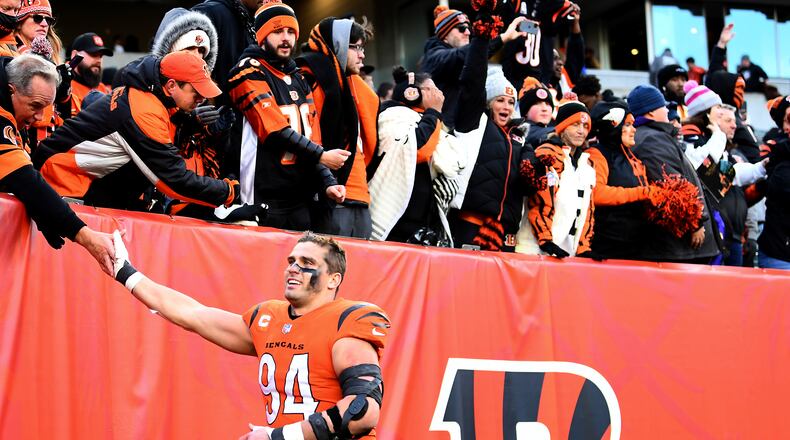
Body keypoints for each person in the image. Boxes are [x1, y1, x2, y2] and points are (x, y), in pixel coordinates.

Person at [110, 231, 389, 439]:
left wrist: (276, 436)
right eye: (291, 260)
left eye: (306, 262)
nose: (293, 267)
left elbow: (362, 410)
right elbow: (192, 314)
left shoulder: (346, 321)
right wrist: (126, 272)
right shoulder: (269, 319)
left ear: (333, 279)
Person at [33, 51, 241, 213]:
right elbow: (173, 180)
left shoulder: (150, 95)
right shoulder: (143, 109)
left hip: (79, 187)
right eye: (196, 93)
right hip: (61, 186)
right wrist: (227, 191)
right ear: (170, 86)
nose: (201, 100)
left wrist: (192, 124)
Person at [226, 1, 348, 231]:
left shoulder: (299, 78)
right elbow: (273, 131)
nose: (286, 38)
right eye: (278, 31)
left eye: (291, 31)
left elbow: (312, 139)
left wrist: (327, 182)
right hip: (261, 196)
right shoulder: (247, 71)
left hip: (298, 198)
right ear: (262, 35)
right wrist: (322, 156)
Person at [0, 53, 116, 275]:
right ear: (11, 90)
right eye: (35, 105)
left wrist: (42, 210)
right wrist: (86, 237)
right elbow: (24, 179)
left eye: (46, 107)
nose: (40, 116)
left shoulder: (12, 105)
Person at [448, 15, 529, 252]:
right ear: (488, 101)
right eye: (500, 100)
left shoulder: (519, 136)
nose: (506, 107)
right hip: (470, 226)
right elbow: (472, 82)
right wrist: (482, 39)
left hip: (503, 234)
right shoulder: (474, 122)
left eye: (511, 102)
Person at [297, 16, 379, 239]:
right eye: (357, 47)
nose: (362, 55)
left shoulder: (351, 83)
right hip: (333, 195)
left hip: (360, 194)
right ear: (339, 46)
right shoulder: (310, 78)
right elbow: (309, 138)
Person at [369, 66, 464, 246]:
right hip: (396, 224)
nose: (438, 94)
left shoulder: (425, 119)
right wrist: (434, 112)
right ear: (412, 92)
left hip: (420, 225)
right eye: (431, 89)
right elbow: (418, 150)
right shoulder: (393, 116)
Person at [628, 84, 719, 263]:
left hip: (689, 243)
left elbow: (706, 180)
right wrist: (697, 222)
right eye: (663, 106)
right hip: (683, 244)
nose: (668, 111)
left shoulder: (657, 136)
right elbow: (675, 183)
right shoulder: (655, 138)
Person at [516, 97, 597, 258]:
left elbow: (587, 212)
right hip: (534, 249)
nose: (581, 131)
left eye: (585, 126)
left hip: (566, 254)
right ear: (562, 127)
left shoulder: (587, 165)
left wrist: (583, 247)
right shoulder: (548, 154)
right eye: (575, 125)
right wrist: (545, 240)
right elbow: (540, 201)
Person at [421, 5, 524, 128]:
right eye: (461, 28)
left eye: (469, 28)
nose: (468, 32)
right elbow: (464, 56)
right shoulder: (434, 57)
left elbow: (473, 55)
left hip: (460, 130)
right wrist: (501, 38)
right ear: (445, 35)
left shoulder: (460, 54)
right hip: (442, 131)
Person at [191, 0, 258, 108]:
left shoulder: (257, 20)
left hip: (246, 116)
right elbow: (184, 67)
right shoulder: (209, 13)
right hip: (214, 116)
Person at [68, 32, 113, 116]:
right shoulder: (62, 85)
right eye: (93, 54)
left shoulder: (102, 89)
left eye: (101, 56)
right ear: (74, 55)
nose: (99, 60)